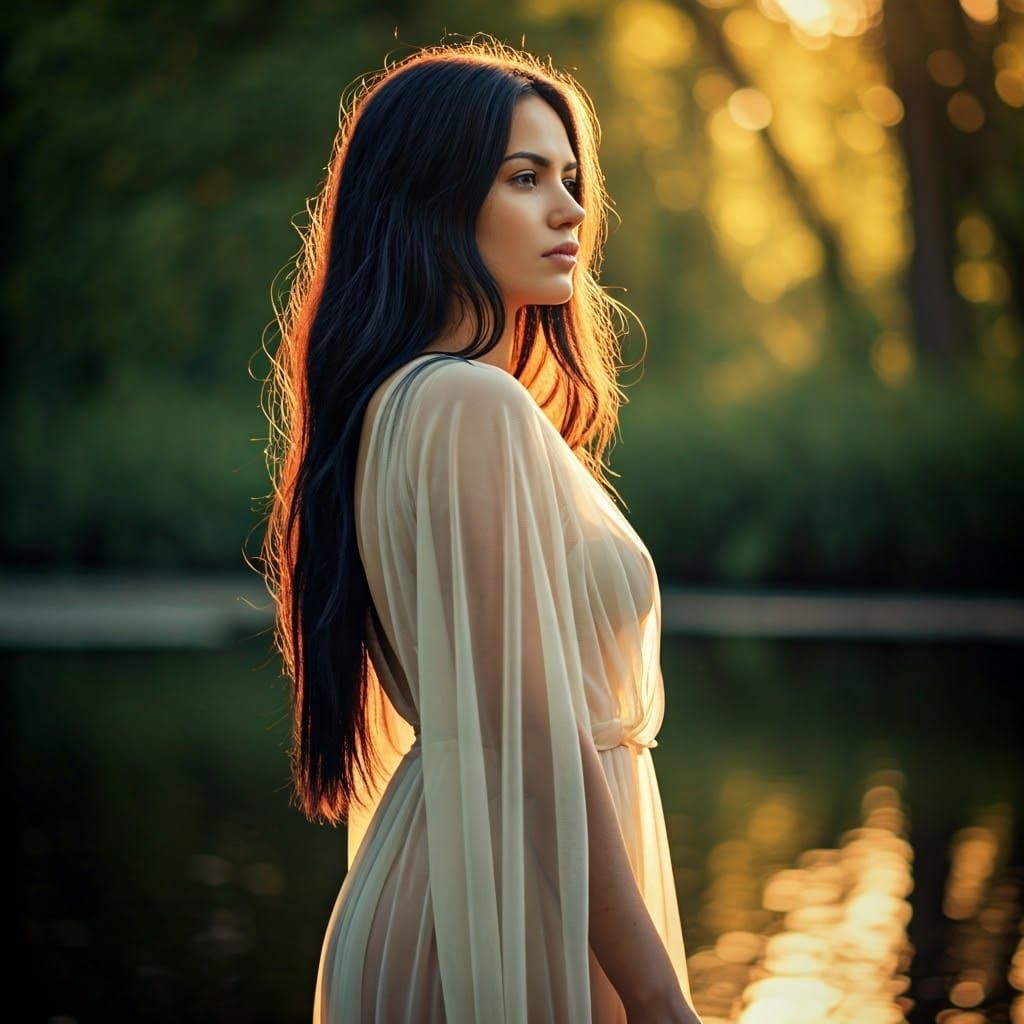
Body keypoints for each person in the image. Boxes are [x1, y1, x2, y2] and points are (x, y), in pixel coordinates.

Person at [261, 34, 702, 1024]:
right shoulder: (467, 406)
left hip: (484, 880)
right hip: (505, 900)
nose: (572, 209)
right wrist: (660, 997)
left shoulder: (400, 403)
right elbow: (535, 731)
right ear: (430, 197)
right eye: (525, 176)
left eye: (572, 177)